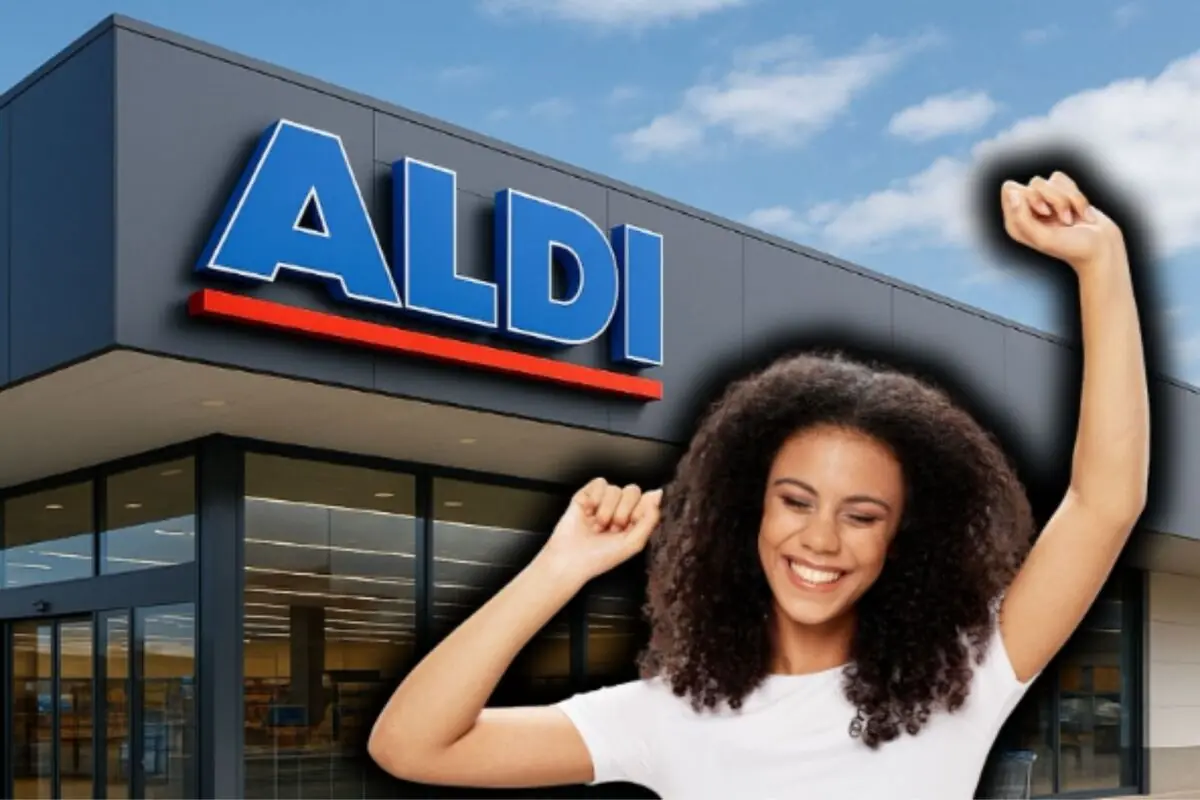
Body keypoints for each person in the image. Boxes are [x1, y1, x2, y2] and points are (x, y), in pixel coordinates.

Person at [367, 172, 1149, 798]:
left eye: (863, 514)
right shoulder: (666, 713)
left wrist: (1101, 263)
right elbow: (412, 746)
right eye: (796, 500)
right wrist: (557, 570)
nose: (819, 540)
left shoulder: (967, 673)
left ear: (901, 537)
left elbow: (1104, 501)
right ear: (751, 508)